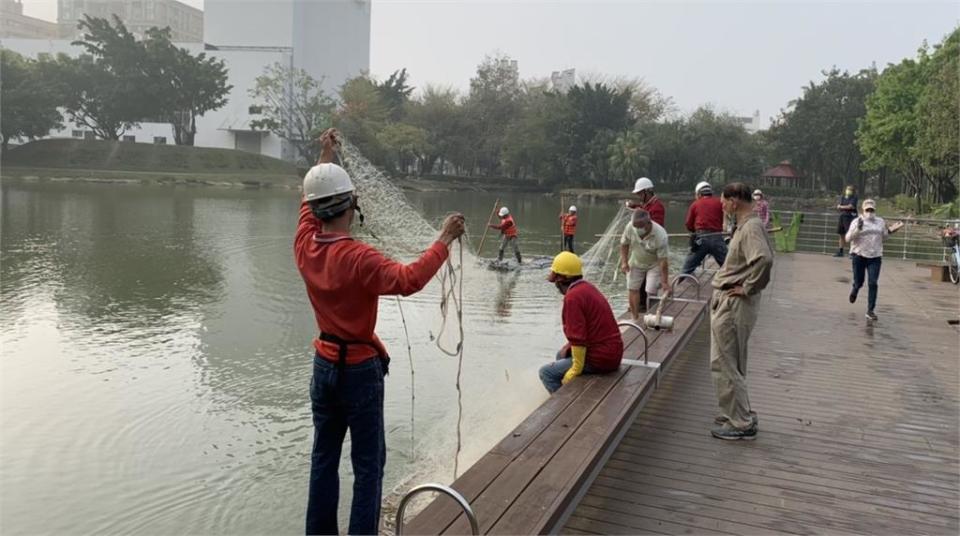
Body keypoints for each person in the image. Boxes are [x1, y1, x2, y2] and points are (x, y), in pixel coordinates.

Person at [295, 129, 466, 535]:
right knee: (369, 465)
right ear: (351, 205)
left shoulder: (304, 243)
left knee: (323, 458)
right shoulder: (358, 257)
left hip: (323, 366)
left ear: (316, 209)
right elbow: (409, 279)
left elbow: (308, 203)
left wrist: (324, 156)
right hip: (358, 370)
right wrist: (443, 239)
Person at [709, 182, 774, 441]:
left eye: (724, 201)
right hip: (731, 301)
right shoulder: (746, 226)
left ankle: (741, 422)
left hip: (734, 304)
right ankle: (735, 410)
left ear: (734, 201)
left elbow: (764, 259)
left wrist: (747, 288)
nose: (722, 206)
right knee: (729, 360)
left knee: (725, 361)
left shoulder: (750, 228)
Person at [539, 251, 624, 393]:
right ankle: (573, 391)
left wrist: (575, 369)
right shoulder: (586, 287)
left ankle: (563, 406)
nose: (556, 285)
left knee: (546, 373)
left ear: (561, 279)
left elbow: (578, 339)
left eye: (556, 280)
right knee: (561, 355)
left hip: (601, 358)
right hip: (612, 352)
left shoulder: (573, 297)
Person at [845, 199, 904, 322]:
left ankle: (870, 310)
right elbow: (847, 238)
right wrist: (858, 230)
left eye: (872, 210)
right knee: (859, 281)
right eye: (867, 210)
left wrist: (893, 230)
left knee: (873, 283)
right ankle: (855, 289)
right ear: (863, 210)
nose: (870, 212)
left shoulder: (880, 221)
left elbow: (884, 236)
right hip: (859, 255)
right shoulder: (857, 221)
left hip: (875, 256)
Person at [620, 209, 671, 322]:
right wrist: (624, 262)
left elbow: (663, 261)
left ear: (649, 223)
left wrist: (665, 281)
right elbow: (624, 244)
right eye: (635, 226)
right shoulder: (630, 227)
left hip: (654, 264)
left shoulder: (660, 235)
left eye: (640, 227)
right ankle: (634, 317)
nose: (638, 230)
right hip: (636, 261)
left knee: (651, 290)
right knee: (632, 288)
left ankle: (652, 317)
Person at [681, 181, 728, 274]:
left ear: (699, 193)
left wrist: (693, 233)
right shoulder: (719, 202)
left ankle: (680, 282)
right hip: (717, 237)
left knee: (687, 269)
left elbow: (688, 224)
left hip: (701, 238)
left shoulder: (695, 204)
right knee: (729, 267)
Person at [835, 185, 859, 257]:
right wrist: (842, 207)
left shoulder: (854, 197)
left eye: (850, 189)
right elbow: (838, 206)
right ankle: (841, 251)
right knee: (841, 234)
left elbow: (851, 206)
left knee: (850, 235)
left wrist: (842, 207)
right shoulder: (842, 197)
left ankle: (852, 252)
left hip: (850, 217)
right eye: (848, 189)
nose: (848, 190)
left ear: (853, 191)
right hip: (842, 216)